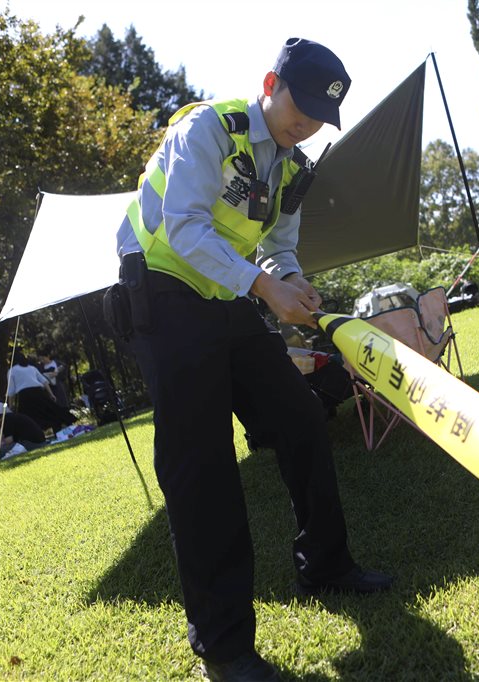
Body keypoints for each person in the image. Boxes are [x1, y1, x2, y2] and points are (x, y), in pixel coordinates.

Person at [114, 38, 391, 681]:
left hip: (228, 294)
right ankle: (225, 646)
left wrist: (294, 284)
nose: (309, 124)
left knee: (299, 420)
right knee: (202, 467)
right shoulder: (209, 129)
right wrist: (266, 287)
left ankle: (326, 567)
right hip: (163, 293)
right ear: (271, 83)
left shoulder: (294, 167)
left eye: (324, 116)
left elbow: (279, 246)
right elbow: (184, 226)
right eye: (302, 106)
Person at [6, 350, 75, 432]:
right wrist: (51, 394)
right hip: (39, 392)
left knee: (29, 417)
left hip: (25, 396)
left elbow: (11, 391)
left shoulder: (12, 371)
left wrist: (10, 405)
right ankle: (59, 428)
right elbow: (44, 381)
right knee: (50, 411)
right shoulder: (31, 368)